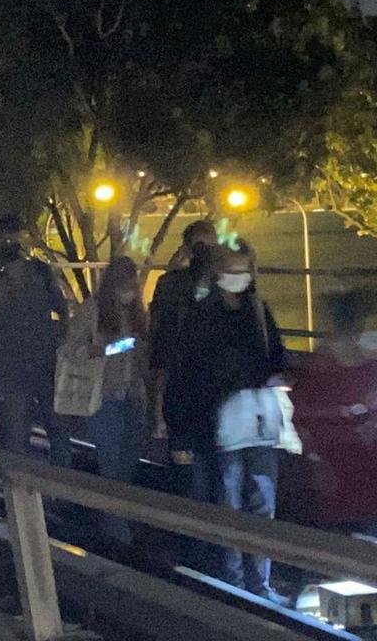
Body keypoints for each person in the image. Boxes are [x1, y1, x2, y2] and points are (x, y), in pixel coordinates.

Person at [170, 244, 291, 606]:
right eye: (232, 270)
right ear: (218, 273)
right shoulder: (201, 315)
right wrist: (185, 428)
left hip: (257, 417)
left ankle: (259, 583)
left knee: (261, 502)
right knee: (230, 503)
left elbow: (276, 354)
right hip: (221, 422)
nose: (239, 278)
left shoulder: (257, 310)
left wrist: (275, 377)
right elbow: (188, 372)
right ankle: (236, 580)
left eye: (244, 270)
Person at [61, 256, 147, 546]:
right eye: (124, 285)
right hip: (104, 397)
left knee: (126, 465)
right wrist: (102, 350)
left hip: (132, 396)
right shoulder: (93, 310)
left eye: (132, 285)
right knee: (110, 465)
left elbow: (143, 356)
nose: (130, 291)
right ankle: (117, 535)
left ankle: (113, 522)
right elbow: (72, 349)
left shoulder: (135, 314)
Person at [0, 214, 70, 463]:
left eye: (10, 238)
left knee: (51, 428)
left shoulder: (39, 271)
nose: (7, 244)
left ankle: (58, 490)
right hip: (17, 363)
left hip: (38, 362)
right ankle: (28, 494)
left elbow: (62, 310)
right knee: (23, 432)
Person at [291, 289, 377, 531]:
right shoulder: (324, 369)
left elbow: (301, 416)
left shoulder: (321, 368)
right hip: (342, 464)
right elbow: (302, 415)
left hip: (350, 464)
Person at [148, 219, 217, 438]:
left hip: (181, 368)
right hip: (189, 368)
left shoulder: (169, 282)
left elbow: (156, 327)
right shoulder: (222, 282)